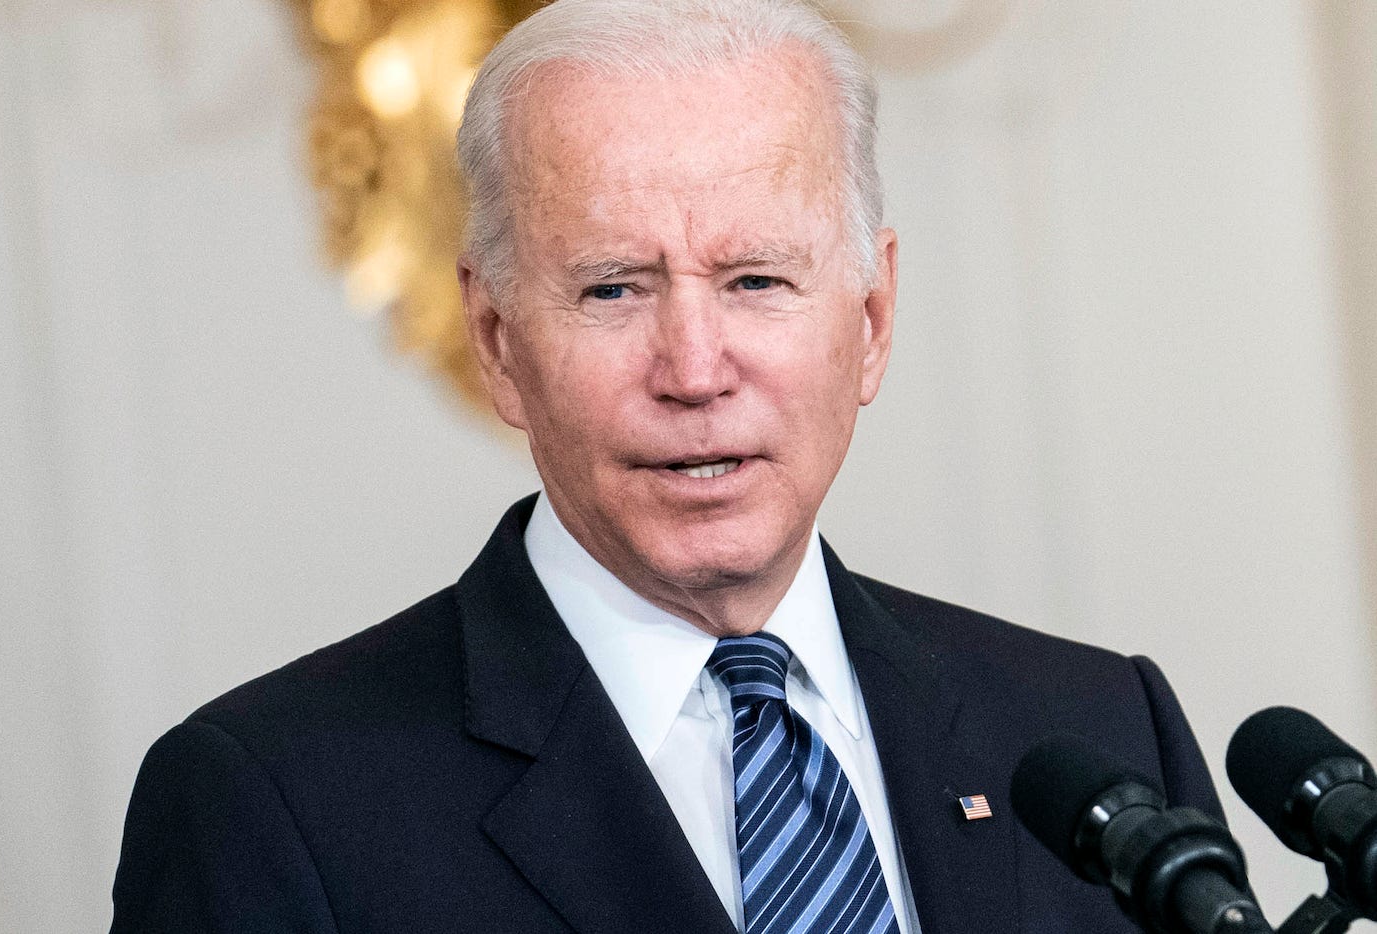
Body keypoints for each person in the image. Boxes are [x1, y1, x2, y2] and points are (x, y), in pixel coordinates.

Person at [110, 1, 1223, 931]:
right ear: (497, 342)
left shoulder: (1097, 731)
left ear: (873, 318)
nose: (694, 370)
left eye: (755, 281)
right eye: (613, 289)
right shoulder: (268, 803)